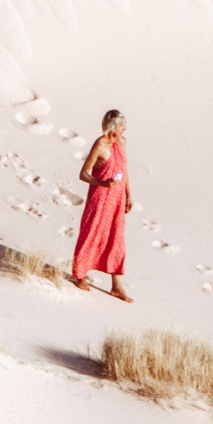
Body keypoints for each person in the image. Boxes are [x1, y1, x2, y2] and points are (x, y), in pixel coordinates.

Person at [71, 109, 133, 299]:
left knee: (116, 238)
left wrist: (128, 194)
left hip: (117, 199)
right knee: (92, 233)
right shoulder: (100, 144)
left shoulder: (121, 142)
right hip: (99, 198)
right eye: (122, 125)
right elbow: (83, 173)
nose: (125, 128)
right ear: (113, 126)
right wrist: (103, 183)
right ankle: (80, 274)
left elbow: (124, 169)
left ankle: (116, 285)